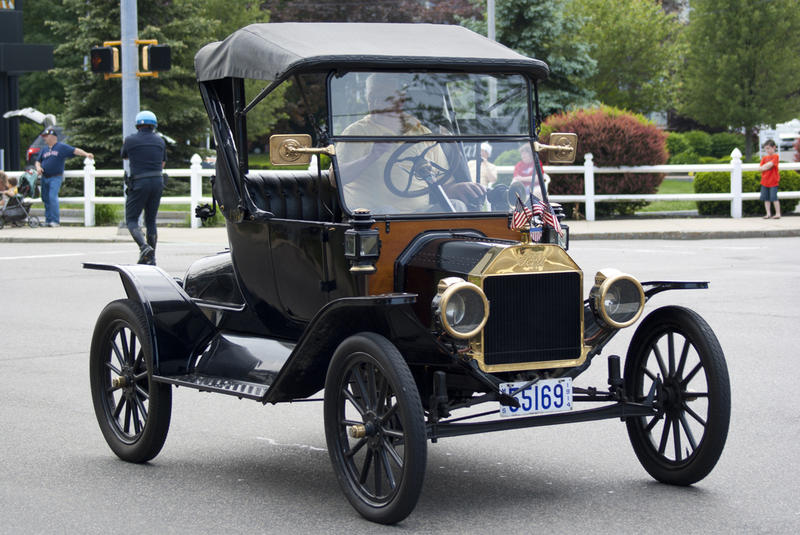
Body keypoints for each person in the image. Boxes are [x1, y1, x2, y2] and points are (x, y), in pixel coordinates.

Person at [336, 73, 484, 213]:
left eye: (383, 98)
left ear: (400, 100)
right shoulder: (356, 132)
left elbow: (443, 184)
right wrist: (370, 158)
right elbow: (335, 179)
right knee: (387, 212)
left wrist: (458, 188)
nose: (375, 103)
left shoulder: (422, 132)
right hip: (373, 218)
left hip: (417, 216)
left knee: (457, 207)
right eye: (371, 98)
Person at [121, 110, 167, 264]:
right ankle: (151, 258)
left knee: (132, 219)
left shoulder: (130, 140)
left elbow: (125, 155)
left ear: (137, 125)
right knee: (151, 220)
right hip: (157, 182)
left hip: (139, 182)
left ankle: (144, 247)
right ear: (154, 125)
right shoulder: (160, 141)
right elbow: (162, 163)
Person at [34, 127, 94, 227]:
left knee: (52, 197)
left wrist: (86, 154)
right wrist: (38, 167)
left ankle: (55, 221)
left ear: (52, 136)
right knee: (45, 198)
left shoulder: (61, 147)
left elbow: (74, 150)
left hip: (55, 177)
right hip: (45, 177)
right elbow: (37, 161)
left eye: (46, 136)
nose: (44, 138)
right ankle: (48, 220)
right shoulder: (44, 149)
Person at [759, 139, 781, 219]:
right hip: (764, 181)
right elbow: (760, 168)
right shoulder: (764, 158)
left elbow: (770, 165)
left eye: (768, 148)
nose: (767, 150)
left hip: (773, 181)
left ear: (774, 147)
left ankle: (778, 213)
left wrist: (765, 166)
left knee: (774, 198)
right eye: (766, 148)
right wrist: (765, 166)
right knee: (766, 198)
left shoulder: (776, 156)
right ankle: (768, 213)